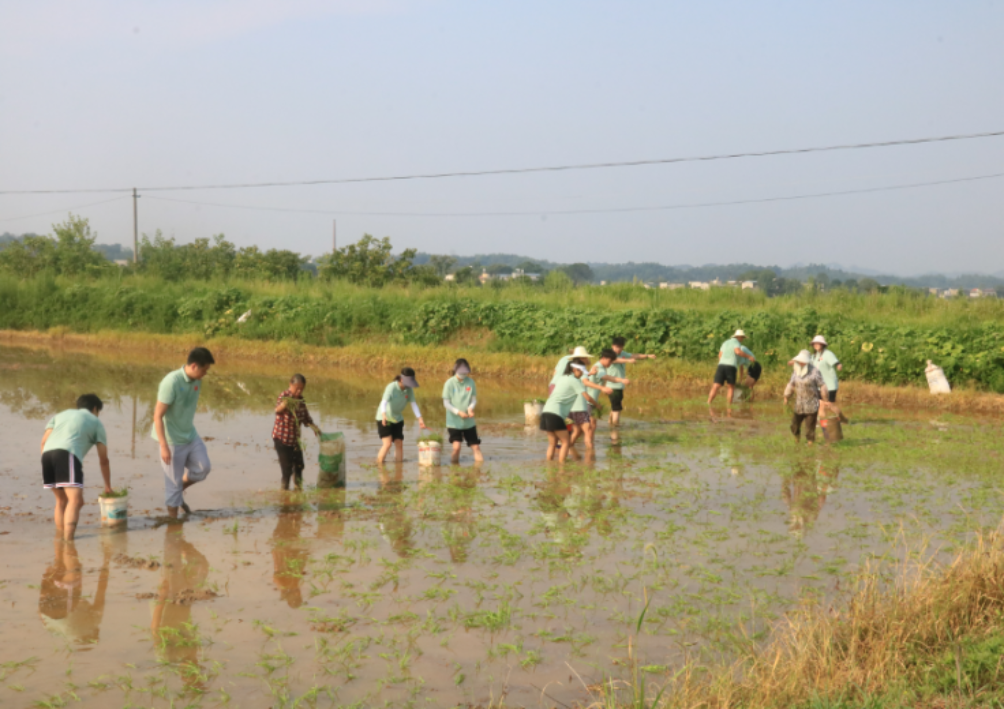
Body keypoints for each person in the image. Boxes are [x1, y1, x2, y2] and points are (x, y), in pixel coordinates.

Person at [153, 347, 215, 519]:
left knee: (203, 468)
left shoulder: (197, 381)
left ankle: (177, 490)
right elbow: (157, 416)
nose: (205, 374)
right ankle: (173, 524)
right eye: (204, 370)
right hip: (172, 440)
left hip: (190, 435)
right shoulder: (171, 382)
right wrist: (163, 446)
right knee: (172, 485)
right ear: (194, 366)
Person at [40, 393, 112, 541]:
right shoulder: (96, 422)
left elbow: (43, 442)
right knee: (75, 501)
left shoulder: (60, 415)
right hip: (67, 455)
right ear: (95, 408)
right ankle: (68, 543)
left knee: (61, 501)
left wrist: (48, 461)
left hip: (46, 456)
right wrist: (107, 486)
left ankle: (60, 541)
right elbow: (103, 459)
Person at [541, 359, 612, 463]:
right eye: (581, 371)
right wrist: (597, 405)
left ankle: (549, 466)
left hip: (546, 412)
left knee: (552, 443)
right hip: (556, 414)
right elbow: (587, 397)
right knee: (566, 442)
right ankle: (561, 466)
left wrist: (589, 373)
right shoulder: (574, 381)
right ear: (574, 369)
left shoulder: (562, 378)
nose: (582, 373)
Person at [272, 374, 321, 491]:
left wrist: (315, 428)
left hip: (295, 440)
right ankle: (284, 493)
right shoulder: (285, 396)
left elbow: (305, 418)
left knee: (299, 466)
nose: (299, 391)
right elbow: (277, 410)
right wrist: (284, 405)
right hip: (282, 439)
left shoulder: (300, 400)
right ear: (290, 385)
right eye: (297, 388)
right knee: (287, 470)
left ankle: (298, 490)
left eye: (301, 389)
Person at [376, 367, 427, 464]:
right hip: (385, 418)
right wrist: (384, 415)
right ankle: (379, 465)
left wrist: (420, 419)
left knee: (399, 443)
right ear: (401, 379)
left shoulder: (409, 390)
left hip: (397, 419)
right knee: (387, 444)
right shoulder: (391, 387)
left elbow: (413, 404)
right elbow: (384, 402)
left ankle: (399, 468)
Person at [607, 337, 657, 426]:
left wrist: (647, 356)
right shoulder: (609, 354)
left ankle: (610, 422)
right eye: (617, 347)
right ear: (612, 346)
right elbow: (613, 360)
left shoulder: (622, 353)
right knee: (617, 407)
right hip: (612, 385)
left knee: (616, 405)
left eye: (621, 347)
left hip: (619, 385)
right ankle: (615, 426)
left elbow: (635, 355)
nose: (619, 349)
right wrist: (627, 360)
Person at [783, 350, 829, 445]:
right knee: (794, 425)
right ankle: (797, 440)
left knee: (810, 428)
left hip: (811, 404)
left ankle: (810, 444)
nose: (800, 362)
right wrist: (786, 396)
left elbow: (822, 385)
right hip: (799, 404)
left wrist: (825, 399)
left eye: (802, 361)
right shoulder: (796, 371)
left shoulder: (815, 371)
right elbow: (791, 384)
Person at [442, 358, 484, 464]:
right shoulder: (449, 383)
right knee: (456, 448)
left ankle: (480, 469)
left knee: (476, 447)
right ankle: (454, 469)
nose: (463, 375)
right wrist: (458, 412)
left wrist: (470, 408)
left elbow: (473, 400)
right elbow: (446, 403)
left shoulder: (470, 382)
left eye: (465, 373)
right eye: (461, 373)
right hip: (454, 422)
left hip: (469, 422)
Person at [708, 330, 754, 406]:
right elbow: (738, 352)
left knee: (715, 386)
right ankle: (729, 406)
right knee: (730, 387)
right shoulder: (736, 342)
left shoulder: (725, 343)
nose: (742, 339)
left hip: (721, 365)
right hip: (731, 366)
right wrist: (749, 356)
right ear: (739, 337)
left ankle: (708, 403)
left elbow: (720, 355)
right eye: (742, 337)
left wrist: (724, 362)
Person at [810, 335, 842, 403]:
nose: (816, 345)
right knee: (819, 404)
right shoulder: (813, 356)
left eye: (818, 343)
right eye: (815, 344)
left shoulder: (828, 354)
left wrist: (838, 365)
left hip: (829, 385)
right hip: (818, 385)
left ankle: (836, 410)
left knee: (829, 404)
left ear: (822, 344)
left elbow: (835, 362)